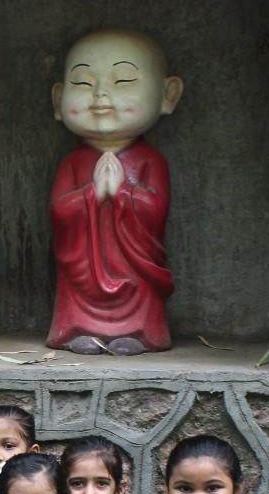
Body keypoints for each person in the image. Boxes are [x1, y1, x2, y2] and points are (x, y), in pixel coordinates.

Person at [49, 29, 183, 355]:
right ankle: (77, 329)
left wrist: (123, 193)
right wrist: (92, 194)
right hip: (84, 266)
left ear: (168, 95)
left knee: (138, 284)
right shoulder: (73, 162)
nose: (100, 95)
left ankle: (140, 332)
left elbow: (157, 212)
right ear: (57, 99)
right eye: (82, 83)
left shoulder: (150, 161)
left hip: (132, 264)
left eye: (122, 81)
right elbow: (57, 210)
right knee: (75, 278)